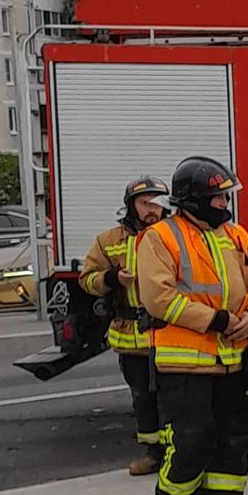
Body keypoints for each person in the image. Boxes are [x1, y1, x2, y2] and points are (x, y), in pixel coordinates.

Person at [136, 156, 248, 495]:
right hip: (185, 365)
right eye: (218, 199)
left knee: (235, 439)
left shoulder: (237, 236)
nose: (225, 206)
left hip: (235, 360)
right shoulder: (160, 238)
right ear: (195, 200)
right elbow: (159, 298)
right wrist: (219, 321)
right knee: (192, 440)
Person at [77, 175, 169, 476]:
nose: (152, 209)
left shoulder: (175, 235)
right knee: (143, 398)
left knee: (175, 398)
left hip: (170, 334)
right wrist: (111, 279)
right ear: (131, 206)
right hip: (131, 337)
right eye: (145, 203)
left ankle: (177, 453)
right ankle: (153, 454)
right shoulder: (109, 241)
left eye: (157, 203)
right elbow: (86, 280)